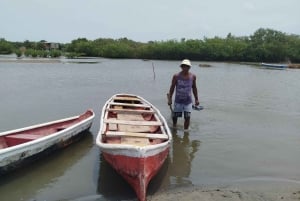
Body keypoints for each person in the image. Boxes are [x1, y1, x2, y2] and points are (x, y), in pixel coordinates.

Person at [168, 59, 199, 130]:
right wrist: (170, 98)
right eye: (184, 66)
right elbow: (172, 87)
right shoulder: (176, 76)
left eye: (187, 66)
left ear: (189, 67)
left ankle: (185, 131)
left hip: (188, 101)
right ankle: (174, 126)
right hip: (178, 100)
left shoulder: (193, 76)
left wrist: (196, 99)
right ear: (181, 67)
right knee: (175, 116)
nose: (185, 68)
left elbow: (194, 87)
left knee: (187, 117)